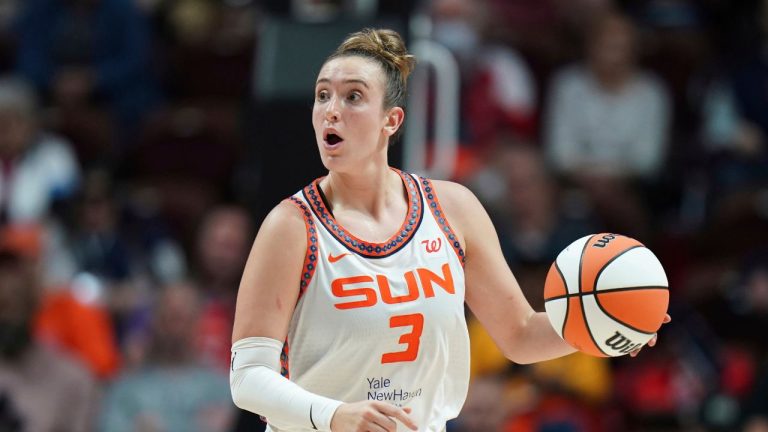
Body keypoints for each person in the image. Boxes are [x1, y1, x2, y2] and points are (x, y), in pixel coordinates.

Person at [229, 28, 670, 432]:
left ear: (392, 121)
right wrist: (334, 415)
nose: (331, 111)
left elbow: (518, 333)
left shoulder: (453, 208)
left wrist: (602, 324)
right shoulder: (292, 226)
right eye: (322, 96)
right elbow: (247, 377)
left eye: (353, 97)